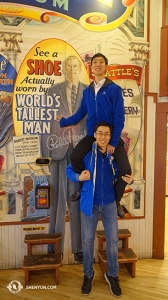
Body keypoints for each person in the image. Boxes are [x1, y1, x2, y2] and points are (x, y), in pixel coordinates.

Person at [56, 53, 131, 218]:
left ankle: (116, 201)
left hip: (110, 136)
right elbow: (81, 113)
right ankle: (83, 188)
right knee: (75, 157)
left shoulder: (114, 89)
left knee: (126, 170)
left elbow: (119, 118)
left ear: (106, 67)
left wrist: (112, 142)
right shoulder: (88, 92)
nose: (97, 64)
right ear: (91, 68)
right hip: (92, 135)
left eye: (101, 62)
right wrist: (64, 122)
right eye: (94, 62)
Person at [66, 122, 134, 296]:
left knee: (112, 242)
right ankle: (88, 275)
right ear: (94, 135)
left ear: (110, 137)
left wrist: (130, 180)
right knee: (87, 241)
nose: (103, 137)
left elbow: (123, 175)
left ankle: (112, 275)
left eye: (107, 134)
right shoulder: (86, 153)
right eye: (100, 133)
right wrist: (78, 176)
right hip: (90, 204)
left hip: (110, 203)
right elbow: (69, 170)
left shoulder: (114, 155)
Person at [41, 55, 88, 262]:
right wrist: (44, 158)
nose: (71, 68)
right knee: (57, 200)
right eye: (67, 65)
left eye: (75, 65)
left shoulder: (88, 92)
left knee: (77, 200)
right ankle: (55, 249)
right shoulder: (52, 92)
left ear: (80, 68)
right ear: (63, 69)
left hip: (80, 153)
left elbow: (92, 121)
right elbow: (44, 126)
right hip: (58, 151)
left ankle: (78, 249)